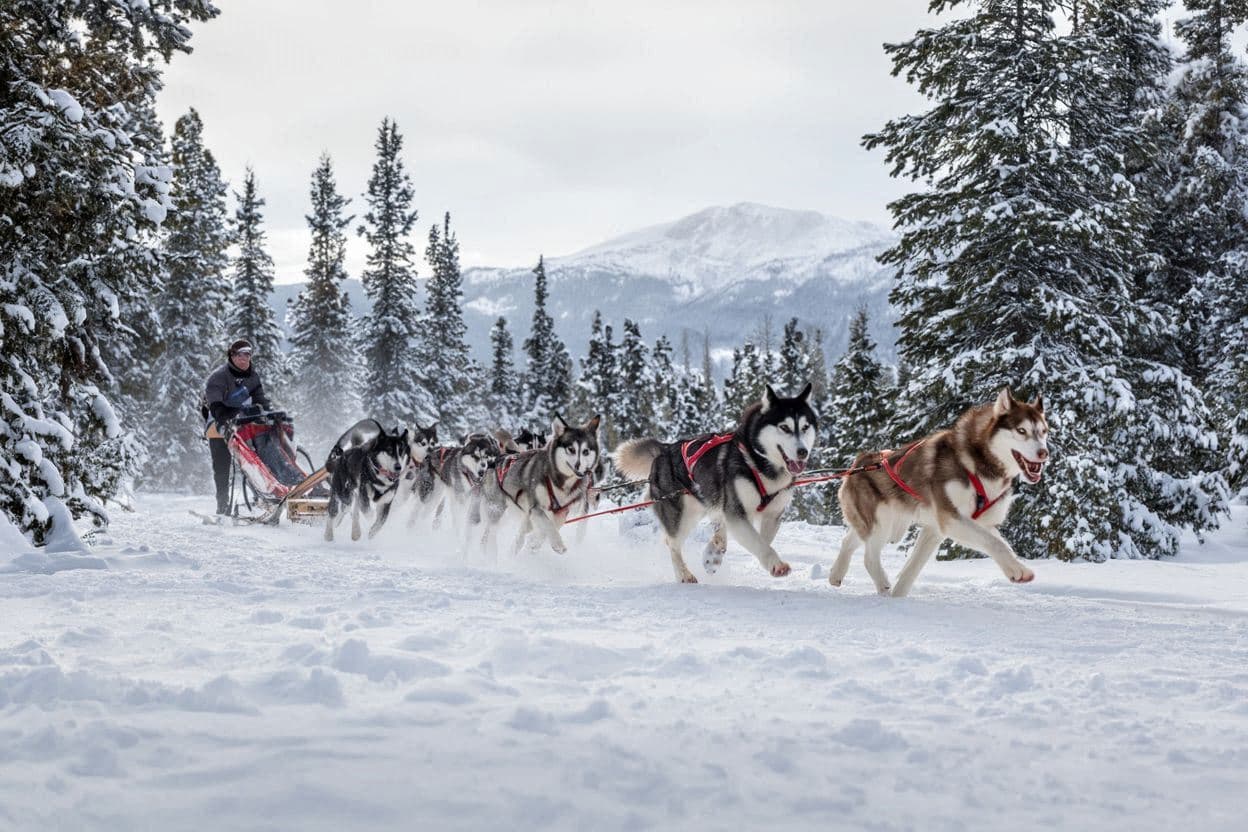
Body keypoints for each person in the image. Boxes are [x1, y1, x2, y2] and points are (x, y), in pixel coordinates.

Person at [204, 338, 272, 514]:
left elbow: (260, 400)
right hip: (218, 427)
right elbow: (215, 404)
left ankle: (262, 498)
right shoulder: (219, 376)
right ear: (231, 356)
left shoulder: (252, 377)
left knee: (254, 463)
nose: (243, 359)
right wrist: (226, 417)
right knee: (222, 468)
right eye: (239, 355)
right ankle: (222, 505)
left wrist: (269, 414)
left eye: (247, 355)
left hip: (242, 426)